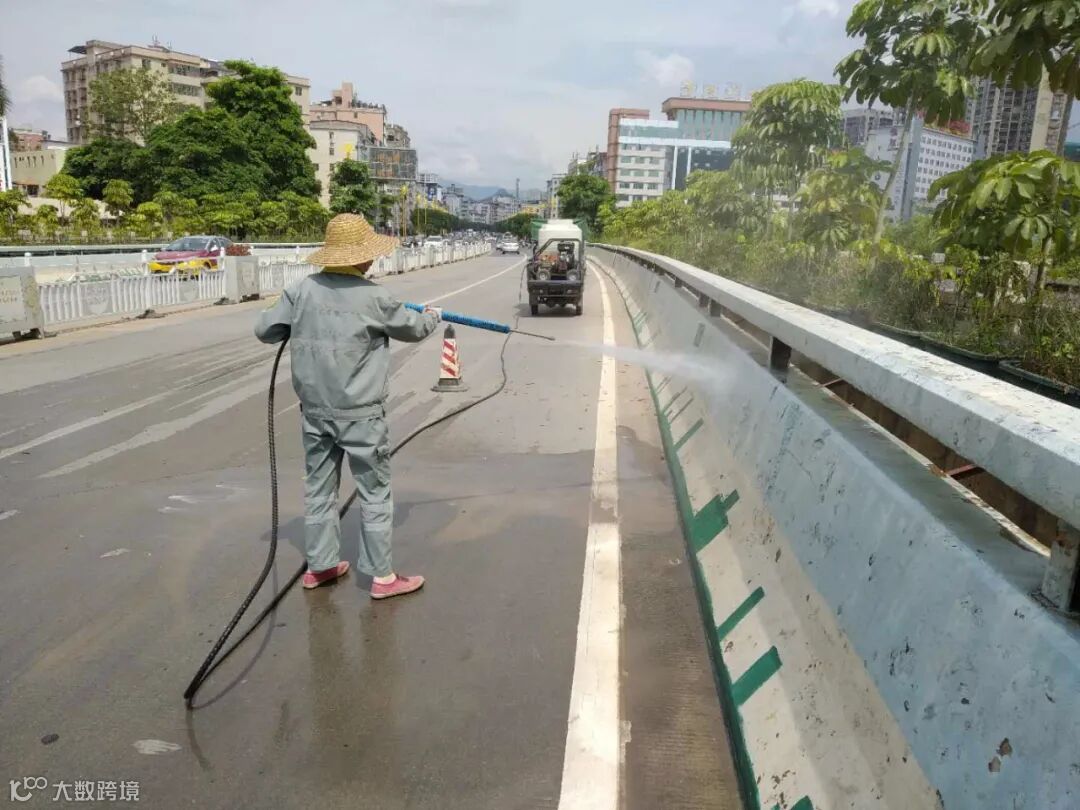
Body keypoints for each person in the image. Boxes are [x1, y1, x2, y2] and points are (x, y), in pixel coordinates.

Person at [255, 213, 441, 599]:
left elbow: (265, 330)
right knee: (374, 491)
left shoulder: (300, 291)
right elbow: (414, 328)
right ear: (360, 257)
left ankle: (321, 565)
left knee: (319, 488)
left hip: (315, 414)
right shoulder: (375, 297)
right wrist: (432, 317)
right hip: (361, 416)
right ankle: (383, 578)